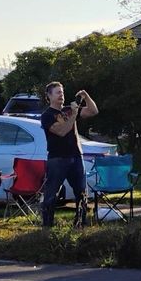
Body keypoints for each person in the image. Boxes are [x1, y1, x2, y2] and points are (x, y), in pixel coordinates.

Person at [40, 81, 99, 228]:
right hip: (57, 158)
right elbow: (61, 131)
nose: (61, 95)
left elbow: (93, 111)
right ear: (49, 96)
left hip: (76, 156)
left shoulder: (69, 109)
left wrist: (86, 96)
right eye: (57, 92)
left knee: (81, 192)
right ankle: (47, 226)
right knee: (51, 194)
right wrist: (73, 114)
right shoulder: (47, 115)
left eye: (62, 92)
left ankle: (80, 223)